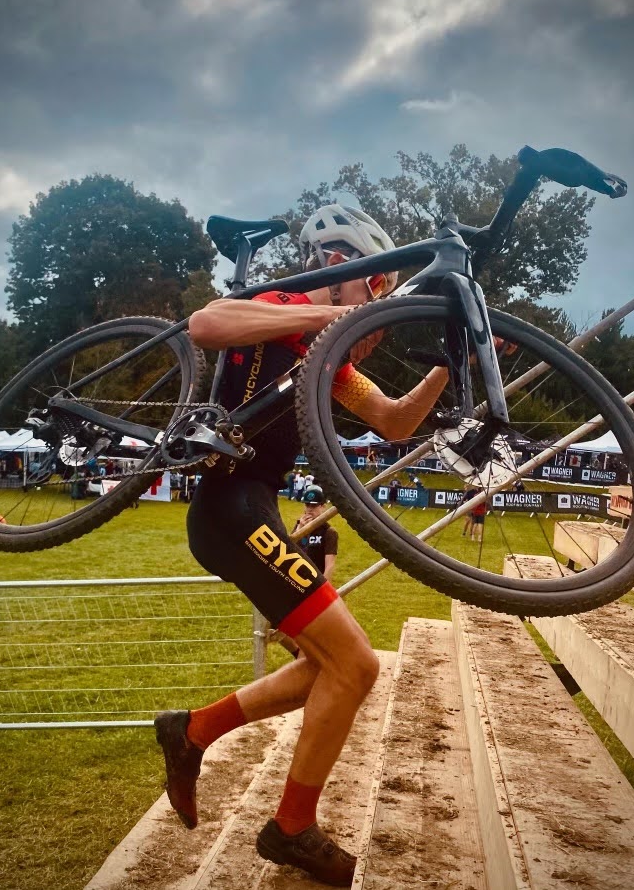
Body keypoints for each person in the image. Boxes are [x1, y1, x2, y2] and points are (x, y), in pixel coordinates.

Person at [155, 203, 451, 886]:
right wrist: (329, 320)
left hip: (255, 507)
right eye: (373, 288)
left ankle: (192, 731)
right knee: (358, 665)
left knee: (331, 667)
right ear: (342, 264)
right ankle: (291, 828)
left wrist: (452, 368)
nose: (376, 301)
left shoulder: (326, 357)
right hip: (227, 505)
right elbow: (207, 324)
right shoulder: (283, 304)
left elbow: (394, 420)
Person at [292, 485, 338, 583]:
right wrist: (300, 529)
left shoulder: (329, 532)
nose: (309, 509)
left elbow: (329, 565)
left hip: (316, 582)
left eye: (314, 505)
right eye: (307, 505)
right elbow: (288, 550)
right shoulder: (299, 525)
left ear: (323, 507)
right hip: (296, 579)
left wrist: (324, 588)